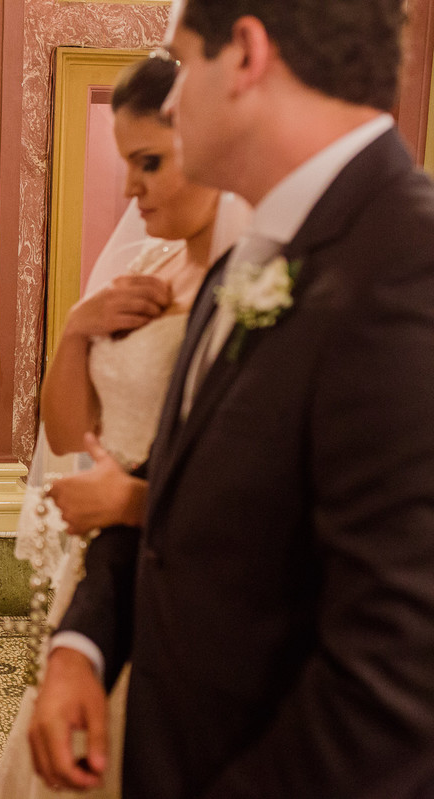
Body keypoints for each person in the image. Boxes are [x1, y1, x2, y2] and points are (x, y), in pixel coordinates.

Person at [31, 1, 434, 796]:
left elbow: (396, 678)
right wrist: (82, 644)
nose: (173, 98)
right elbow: (175, 488)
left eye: (184, 64)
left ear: (246, 55)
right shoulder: (245, 264)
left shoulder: (407, 272)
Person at [0, 54, 248, 799]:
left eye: (149, 161)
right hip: (102, 556)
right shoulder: (148, 268)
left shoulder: (253, 289)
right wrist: (76, 328)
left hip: (182, 563)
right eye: (126, 163)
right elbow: (69, 433)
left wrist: (130, 502)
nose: (130, 186)